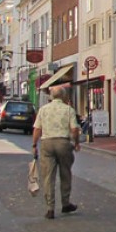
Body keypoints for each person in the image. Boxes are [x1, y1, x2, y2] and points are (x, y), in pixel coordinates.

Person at [32, 84, 81, 220]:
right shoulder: (68, 110)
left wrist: (34, 144)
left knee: (48, 177)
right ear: (64, 96)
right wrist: (76, 143)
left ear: (51, 96)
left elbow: (37, 129)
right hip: (63, 143)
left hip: (47, 143)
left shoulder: (43, 110)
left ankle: (50, 208)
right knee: (65, 174)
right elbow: (74, 129)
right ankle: (65, 204)